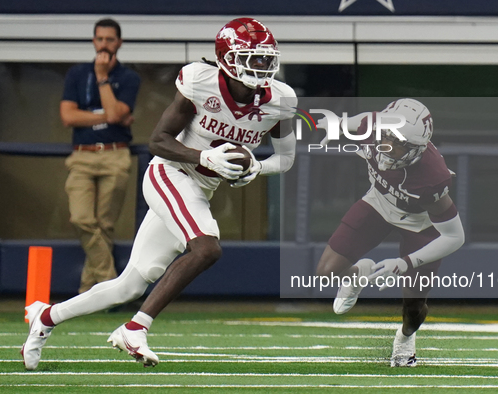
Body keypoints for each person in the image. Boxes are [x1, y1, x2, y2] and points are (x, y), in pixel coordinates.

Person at [21, 17, 297, 370]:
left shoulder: (281, 100)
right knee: (206, 246)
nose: (261, 67)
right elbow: (157, 141)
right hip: (170, 174)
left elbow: (286, 159)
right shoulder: (201, 81)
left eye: (265, 58)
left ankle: (46, 317)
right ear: (227, 58)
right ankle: (136, 327)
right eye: (251, 58)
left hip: (200, 189)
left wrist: (257, 168)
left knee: (129, 285)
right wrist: (202, 155)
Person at [315, 99, 464, 367]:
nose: (388, 145)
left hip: (421, 224)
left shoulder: (431, 178)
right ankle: (357, 274)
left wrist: (404, 263)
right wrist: (333, 126)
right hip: (378, 203)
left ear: (416, 149)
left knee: (413, 307)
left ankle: (406, 339)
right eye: (387, 135)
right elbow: (351, 122)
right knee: (327, 271)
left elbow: (455, 237)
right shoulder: (371, 126)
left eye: (399, 143)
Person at [60, 18, 141, 294]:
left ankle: (88, 292)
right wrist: (107, 115)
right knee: (82, 219)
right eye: (99, 39)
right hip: (82, 156)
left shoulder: (129, 77)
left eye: (109, 39)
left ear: (119, 42)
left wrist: (103, 76)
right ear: (93, 41)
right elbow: (68, 116)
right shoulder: (76, 74)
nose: (103, 44)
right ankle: (110, 286)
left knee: (105, 225)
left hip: (115, 156)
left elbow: (117, 114)